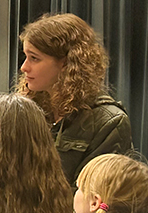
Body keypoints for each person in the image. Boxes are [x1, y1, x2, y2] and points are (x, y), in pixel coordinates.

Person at [17, 12, 132, 190]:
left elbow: (91, 199)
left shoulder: (109, 123)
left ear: (65, 63)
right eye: (26, 57)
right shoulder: (26, 110)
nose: (24, 67)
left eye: (34, 58)